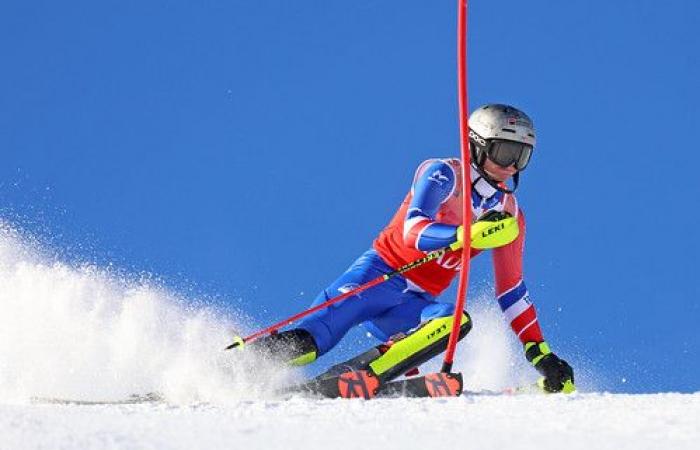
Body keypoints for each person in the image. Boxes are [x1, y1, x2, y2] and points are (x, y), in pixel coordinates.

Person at [249, 104, 575, 394]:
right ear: (477, 145)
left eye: (522, 156)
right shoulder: (443, 173)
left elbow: (512, 291)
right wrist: (465, 234)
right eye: (505, 152)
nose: (512, 166)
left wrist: (541, 354)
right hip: (376, 278)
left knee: (454, 321)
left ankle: (369, 373)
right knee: (309, 342)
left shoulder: (509, 213)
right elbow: (413, 231)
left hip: (413, 303)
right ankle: (237, 366)